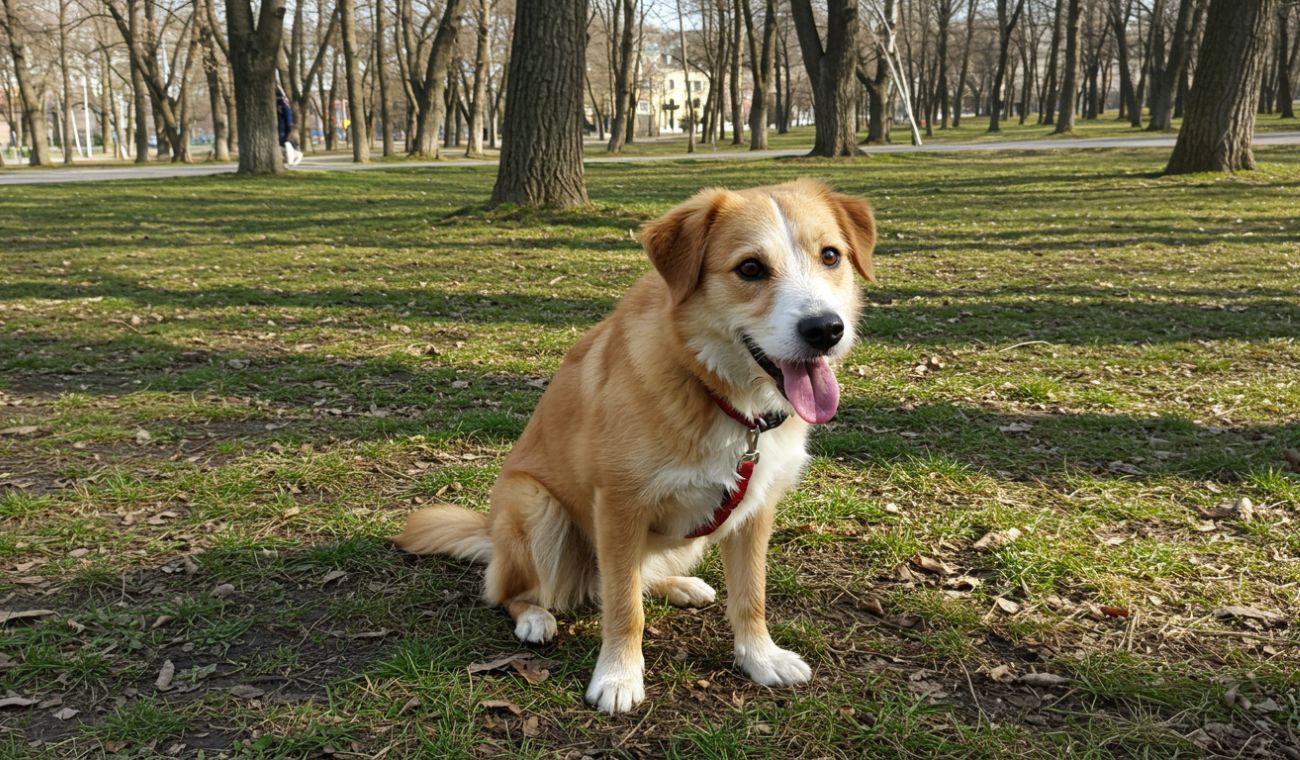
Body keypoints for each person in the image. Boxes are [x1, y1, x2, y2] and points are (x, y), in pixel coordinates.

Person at [276, 87, 302, 166]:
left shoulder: (282, 101)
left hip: (283, 126)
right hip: (281, 125)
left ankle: (296, 154)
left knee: (284, 141)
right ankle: (289, 157)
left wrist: (289, 125)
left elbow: (287, 113)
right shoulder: (281, 101)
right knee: (283, 142)